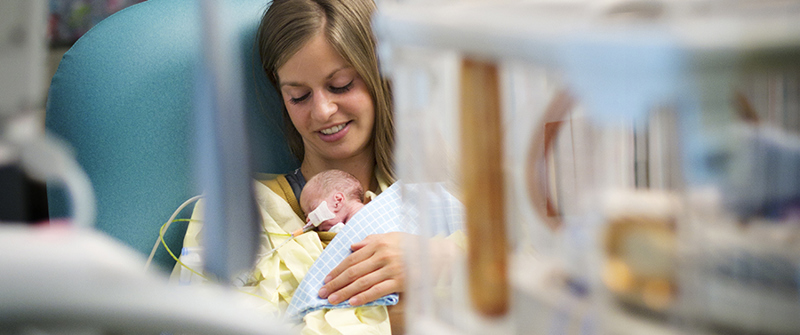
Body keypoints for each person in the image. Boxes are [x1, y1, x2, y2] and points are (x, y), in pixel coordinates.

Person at [300, 169, 366, 232]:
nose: (308, 220)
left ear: (338, 202)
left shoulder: (366, 218)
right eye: (306, 215)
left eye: (313, 209)